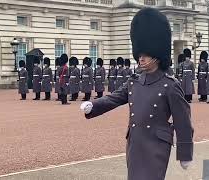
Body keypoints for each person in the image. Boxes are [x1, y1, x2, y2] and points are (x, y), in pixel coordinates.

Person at [80, 7, 193, 180]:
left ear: (156, 55)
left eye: (145, 55)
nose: (140, 58)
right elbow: (114, 98)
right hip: (135, 142)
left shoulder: (169, 85)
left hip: (156, 144)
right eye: (139, 54)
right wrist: (93, 106)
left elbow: (183, 119)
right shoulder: (135, 81)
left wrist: (185, 152)